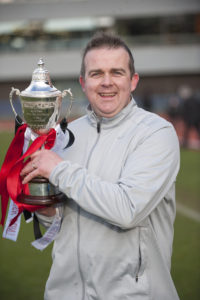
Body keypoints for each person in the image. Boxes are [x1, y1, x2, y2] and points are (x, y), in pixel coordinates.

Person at [21, 32, 180, 300]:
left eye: (116, 72)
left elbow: (127, 209)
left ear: (133, 80)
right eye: (96, 74)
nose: (106, 82)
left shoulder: (157, 133)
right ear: (83, 83)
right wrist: (47, 210)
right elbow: (61, 224)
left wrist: (59, 170)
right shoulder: (65, 135)